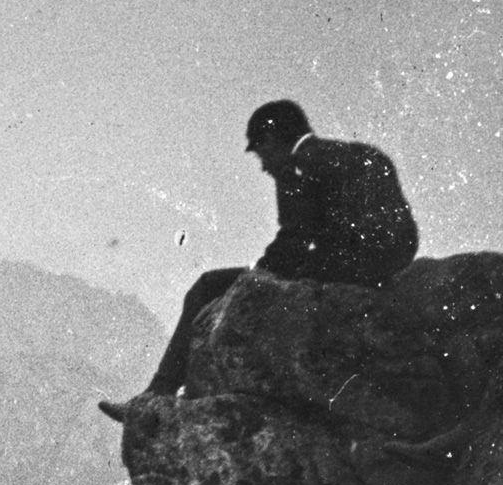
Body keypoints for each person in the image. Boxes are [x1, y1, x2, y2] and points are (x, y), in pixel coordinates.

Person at [100, 100, 418, 419]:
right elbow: (404, 238)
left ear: (272, 139)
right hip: (384, 269)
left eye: (260, 152)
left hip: (333, 272)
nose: (264, 166)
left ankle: (158, 392)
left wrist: (254, 277)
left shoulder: (297, 164)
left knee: (207, 287)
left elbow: (293, 244)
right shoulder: (366, 155)